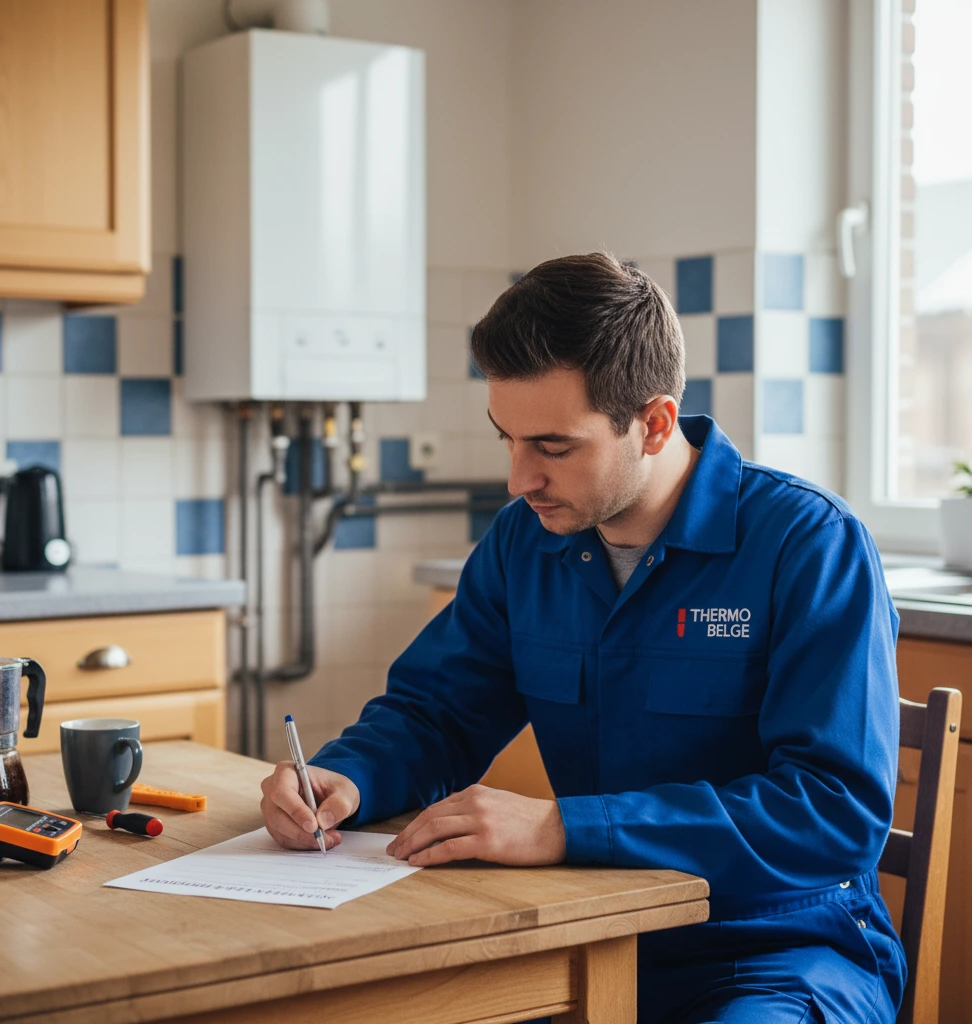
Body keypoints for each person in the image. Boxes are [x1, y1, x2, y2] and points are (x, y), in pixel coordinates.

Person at [260, 252, 904, 1023]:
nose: (518, 478)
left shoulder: (811, 545)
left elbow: (833, 810)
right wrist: (347, 777)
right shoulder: (521, 542)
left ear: (654, 423)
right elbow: (437, 714)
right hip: (583, 938)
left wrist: (568, 826)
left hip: (779, 953)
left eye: (553, 447)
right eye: (508, 438)